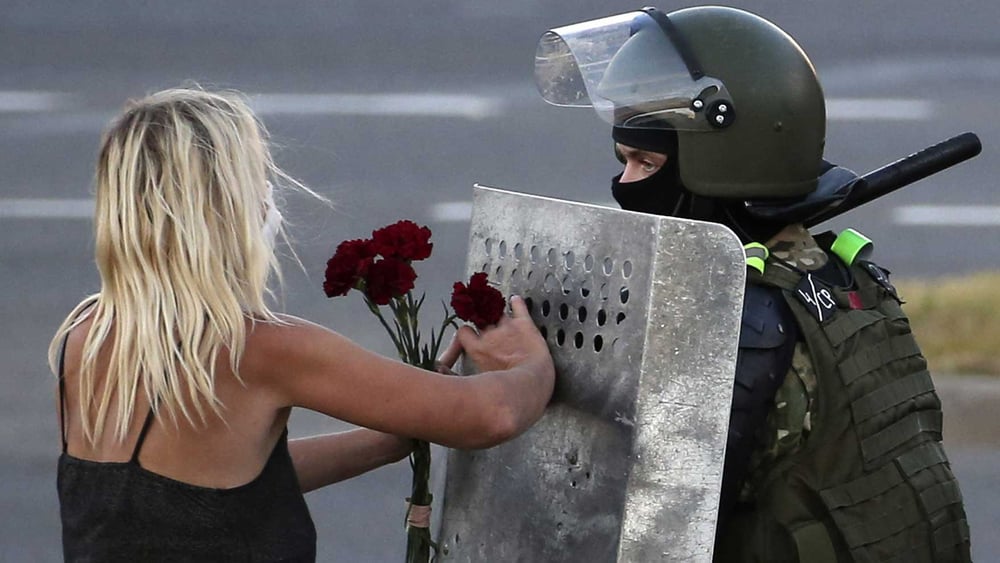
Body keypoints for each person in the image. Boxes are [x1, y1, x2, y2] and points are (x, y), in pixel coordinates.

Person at [534, 6, 971, 561]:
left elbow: (658, 526)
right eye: (624, 160)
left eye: (645, 161)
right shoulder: (840, 275)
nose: (624, 183)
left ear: (723, 166)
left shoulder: (741, 318)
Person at [49, 87, 555, 562]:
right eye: (259, 179)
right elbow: (490, 415)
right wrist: (531, 362)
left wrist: (385, 441)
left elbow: (201, 489)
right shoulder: (256, 348)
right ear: (227, 210)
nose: (270, 197)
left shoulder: (84, 336)